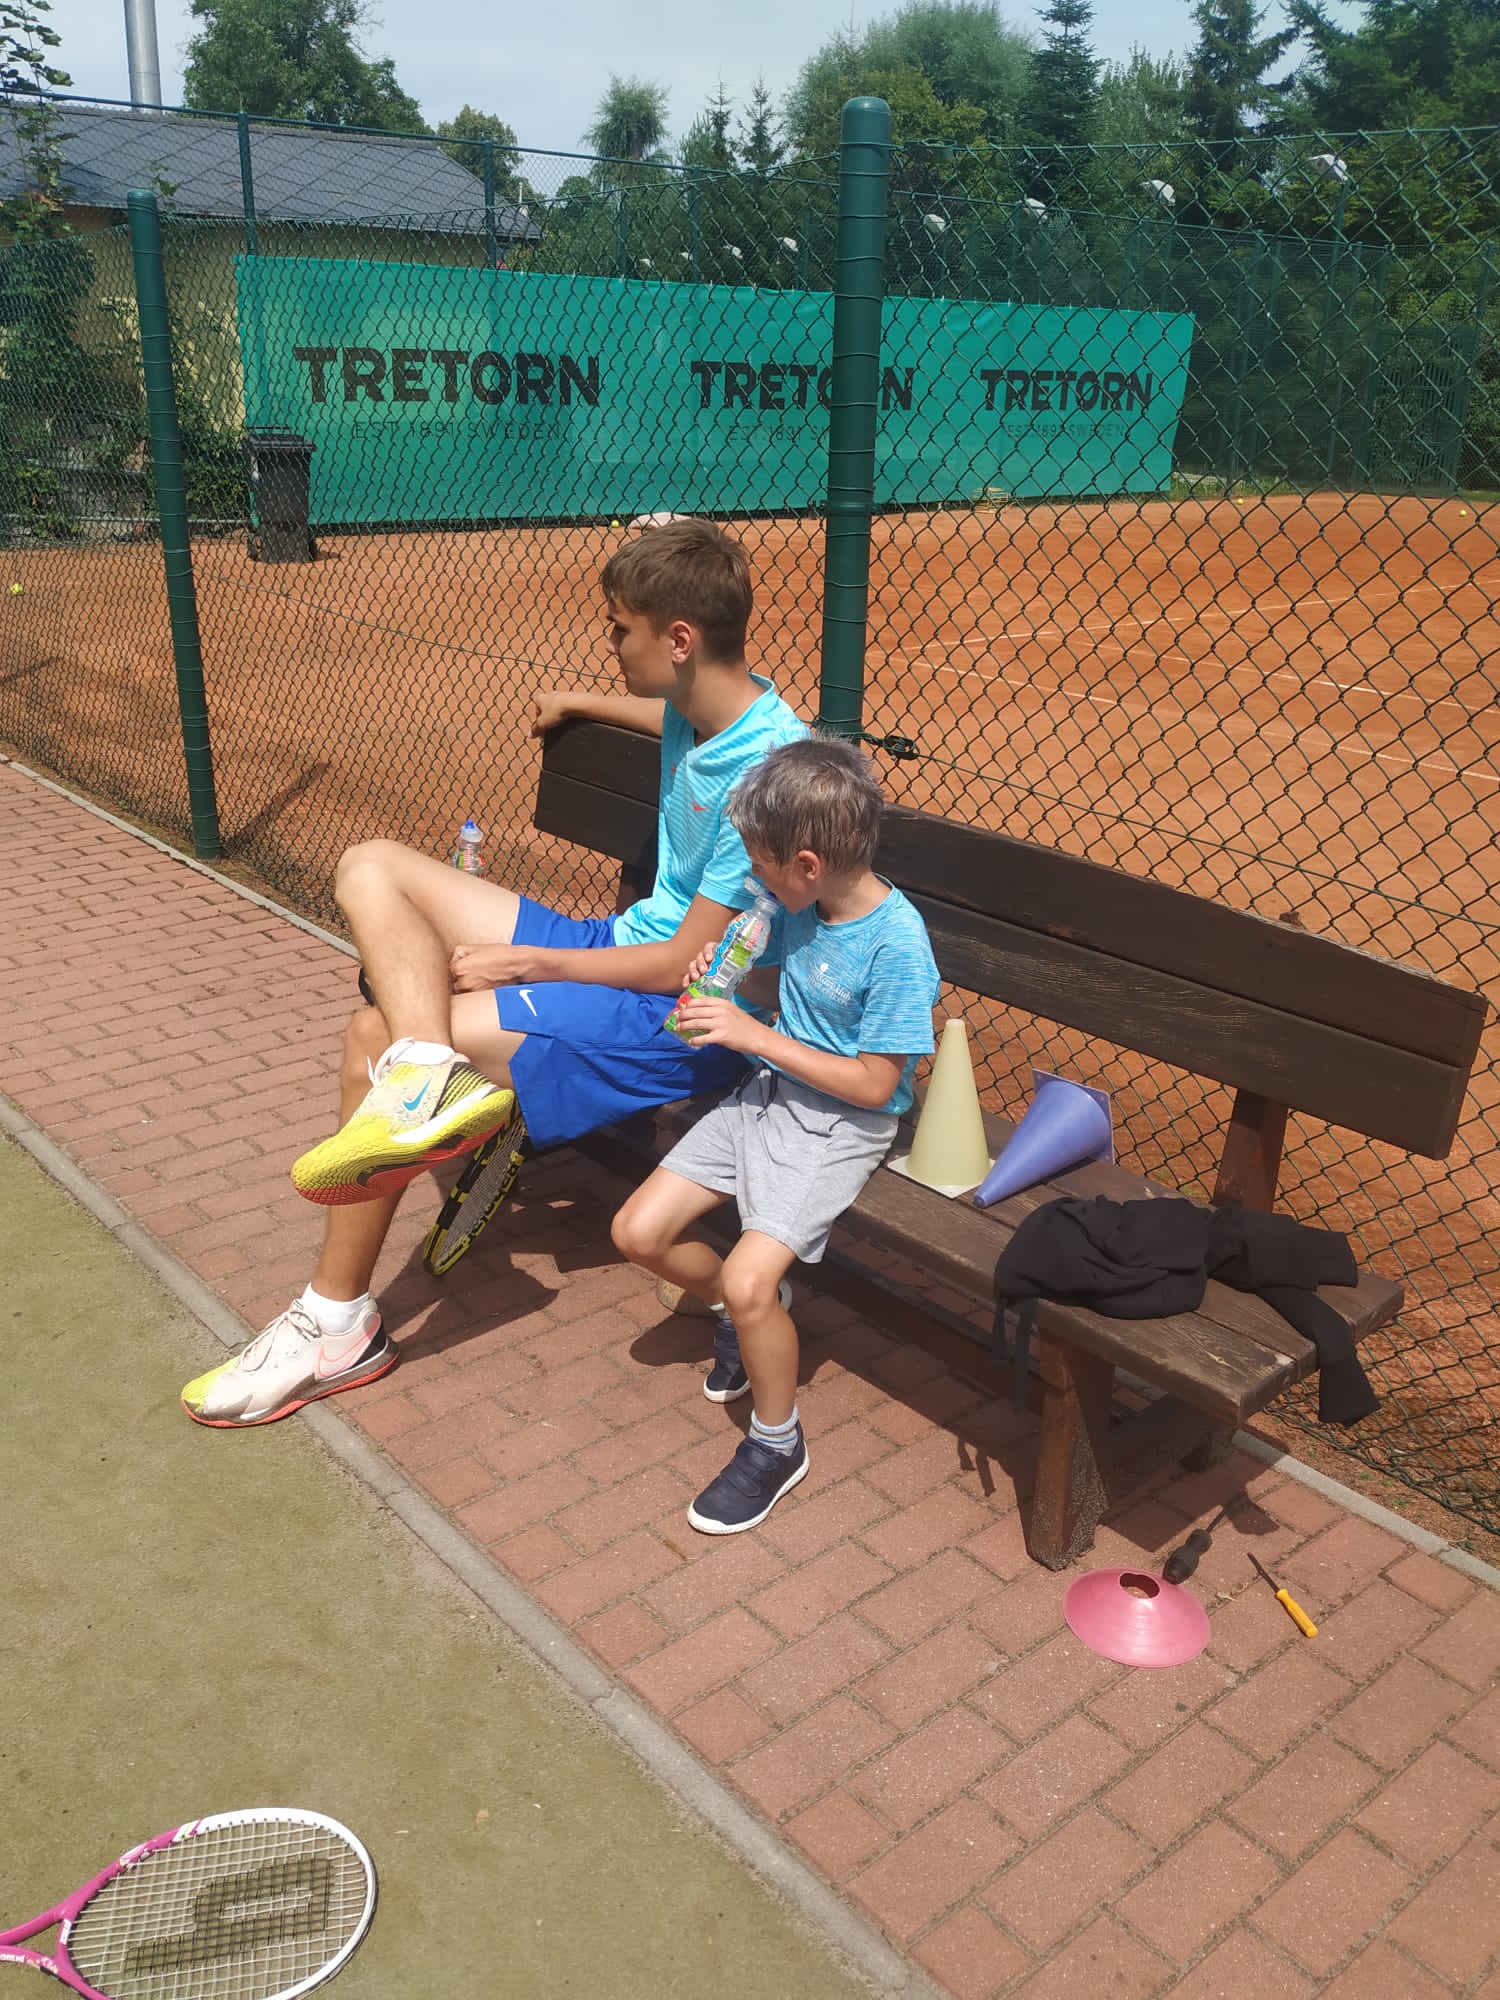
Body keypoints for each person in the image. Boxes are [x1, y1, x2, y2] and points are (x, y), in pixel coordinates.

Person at [182, 520, 807, 1427]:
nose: (608, 641)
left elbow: (684, 966)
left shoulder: (771, 778)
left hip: (688, 1015)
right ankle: (430, 1074)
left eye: (618, 629)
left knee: (371, 1034)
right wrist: (578, 699)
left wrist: (531, 962)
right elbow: (675, 721)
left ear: (678, 639)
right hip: (618, 947)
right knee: (370, 865)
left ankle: (336, 1324)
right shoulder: (711, 704)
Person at [611, 736, 940, 1533]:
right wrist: (729, 983)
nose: (751, 882)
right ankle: (739, 1315)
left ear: (807, 863)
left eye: (759, 865)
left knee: (752, 1281)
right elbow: (780, 986)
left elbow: (877, 1086)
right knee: (637, 1233)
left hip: (840, 1124)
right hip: (770, 1094)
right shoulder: (804, 906)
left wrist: (752, 1035)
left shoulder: (897, 945)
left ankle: (775, 1442)